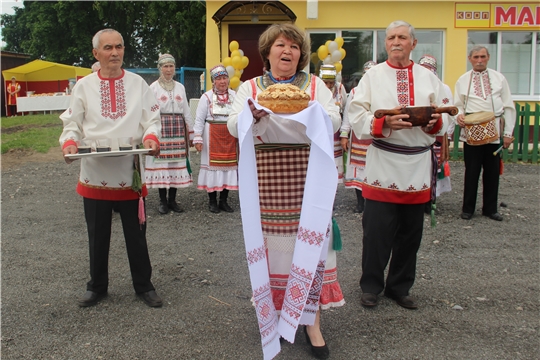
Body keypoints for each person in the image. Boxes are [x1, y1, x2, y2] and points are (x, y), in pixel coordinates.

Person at [228, 23, 344, 360]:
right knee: (274, 253)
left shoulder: (315, 85)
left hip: (310, 180)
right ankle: (274, 316)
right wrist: (249, 116)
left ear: (301, 55)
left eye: (294, 47)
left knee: (312, 250)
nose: (288, 52)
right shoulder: (249, 87)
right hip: (266, 182)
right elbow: (232, 125)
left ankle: (312, 324)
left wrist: (313, 113)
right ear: (267, 52)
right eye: (281, 45)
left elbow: (335, 120)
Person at [348, 20, 449, 310]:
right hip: (383, 162)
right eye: (391, 37)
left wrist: (437, 122)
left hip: (417, 164)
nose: (396, 42)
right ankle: (370, 286)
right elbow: (355, 115)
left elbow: (449, 113)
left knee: (410, 233)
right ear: (386, 43)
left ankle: (399, 286)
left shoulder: (430, 79)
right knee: (376, 230)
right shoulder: (372, 77)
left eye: (402, 37)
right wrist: (383, 122)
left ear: (413, 44)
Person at [60, 29, 163, 308]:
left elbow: (152, 119)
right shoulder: (83, 87)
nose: (114, 52)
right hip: (94, 173)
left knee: (136, 235)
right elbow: (73, 123)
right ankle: (97, 287)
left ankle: (144, 286)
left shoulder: (138, 83)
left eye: (119, 46)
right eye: (108, 48)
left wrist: (152, 137)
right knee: (97, 235)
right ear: (96, 53)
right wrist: (69, 143)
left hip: (128, 173)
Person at [454, 46, 515, 221]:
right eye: (476, 57)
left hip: (493, 130)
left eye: (482, 56)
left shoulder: (499, 79)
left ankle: (490, 209)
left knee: (492, 171)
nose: (479, 60)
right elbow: (457, 103)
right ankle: (468, 209)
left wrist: (508, 133)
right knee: (471, 171)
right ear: (469, 58)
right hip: (471, 132)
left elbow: (509, 106)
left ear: (488, 57)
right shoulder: (463, 80)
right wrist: (459, 115)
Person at [144, 54, 194, 215]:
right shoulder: (153, 88)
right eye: (165, 66)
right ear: (160, 68)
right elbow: (149, 111)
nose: (168, 69)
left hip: (178, 128)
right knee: (162, 165)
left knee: (174, 165)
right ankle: (162, 201)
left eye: (171, 66)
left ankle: (172, 200)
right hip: (161, 128)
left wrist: (192, 133)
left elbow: (186, 109)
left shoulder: (180, 87)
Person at [193, 65, 238, 213]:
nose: (222, 81)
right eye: (219, 79)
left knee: (229, 168)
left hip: (230, 136)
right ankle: (212, 202)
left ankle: (223, 201)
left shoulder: (235, 96)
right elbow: (199, 119)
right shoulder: (206, 97)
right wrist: (198, 138)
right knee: (212, 168)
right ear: (213, 81)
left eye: (224, 78)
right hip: (211, 136)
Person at [418, 55, 455, 213]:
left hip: (437, 133)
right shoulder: (417, 87)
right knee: (420, 167)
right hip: (419, 134)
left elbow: (449, 111)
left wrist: (448, 133)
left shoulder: (443, 88)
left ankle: (431, 199)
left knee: (434, 167)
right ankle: (419, 198)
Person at [340, 60, 377, 213]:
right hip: (358, 137)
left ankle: (373, 202)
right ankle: (360, 203)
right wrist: (344, 134)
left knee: (374, 170)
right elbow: (348, 113)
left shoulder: (382, 91)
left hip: (376, 137)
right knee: (358, 170)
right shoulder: (355, 92)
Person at [320, 64, 348, 182]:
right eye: (325, 82)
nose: (328, 86)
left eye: (331, 83)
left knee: (335, 161)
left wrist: (344, 134)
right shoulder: (317, 88)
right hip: (321, 132)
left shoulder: (340, 88)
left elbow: (346, 108)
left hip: (336, 132)